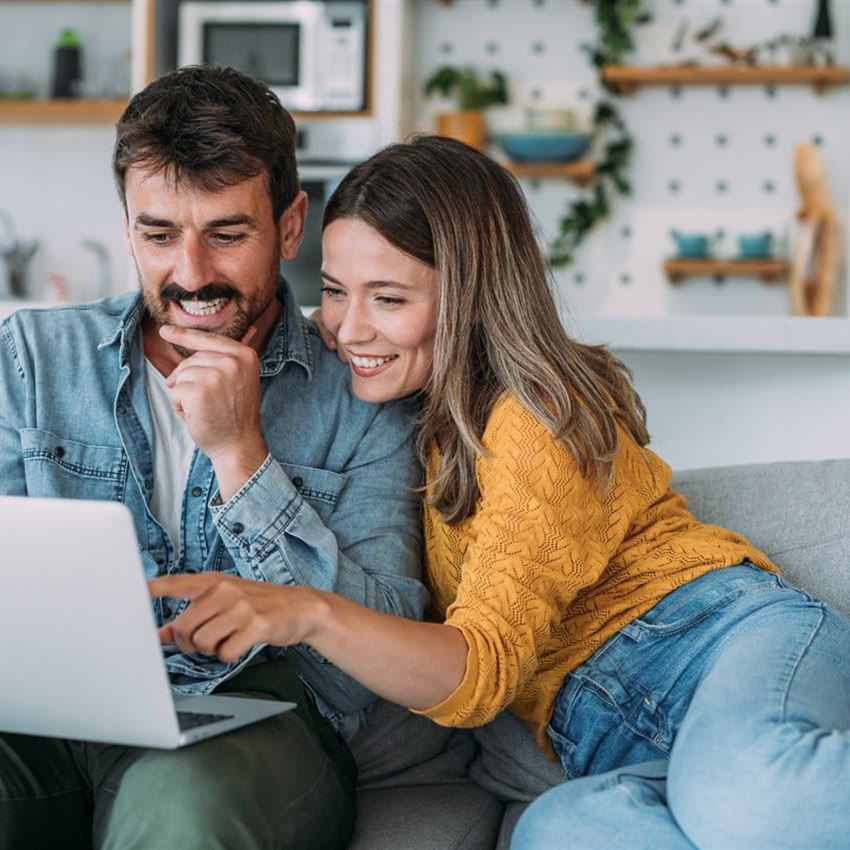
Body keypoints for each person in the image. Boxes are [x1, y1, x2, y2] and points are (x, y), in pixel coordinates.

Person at [151, 135, 850, 850]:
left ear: (472, 299)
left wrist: (307, 613)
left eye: (387, 298)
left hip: (717, 642)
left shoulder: (533, 420)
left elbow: (480, 669)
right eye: (333, 290)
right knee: (558, 834)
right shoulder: (404, 416)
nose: (346, 327)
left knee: (752, 800)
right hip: (605, 740)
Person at [0, 66, 428, 850]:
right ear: (127, 230)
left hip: (255, 719)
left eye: (227, 235)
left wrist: (242, 454)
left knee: (185, 816)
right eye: (159, 235)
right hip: (43, 714)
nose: (192, 275)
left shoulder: (363, 393)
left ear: (290, 227)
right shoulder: (31, 357)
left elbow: (368, 667)